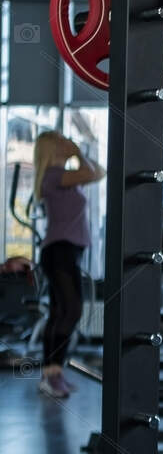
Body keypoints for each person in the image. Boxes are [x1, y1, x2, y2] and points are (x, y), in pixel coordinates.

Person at [31, 130, 103, 399]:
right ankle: (51, 374)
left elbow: (101, 171)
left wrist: (78, 155)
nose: (66, 144)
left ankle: (53, 374)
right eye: (60, 142)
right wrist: (79, 154)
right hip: (59, 251)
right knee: (71, 310)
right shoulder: (53, 177)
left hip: (67, 251)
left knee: (60, 312)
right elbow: (94, 173)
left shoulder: (66, 179)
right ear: (51, 149)